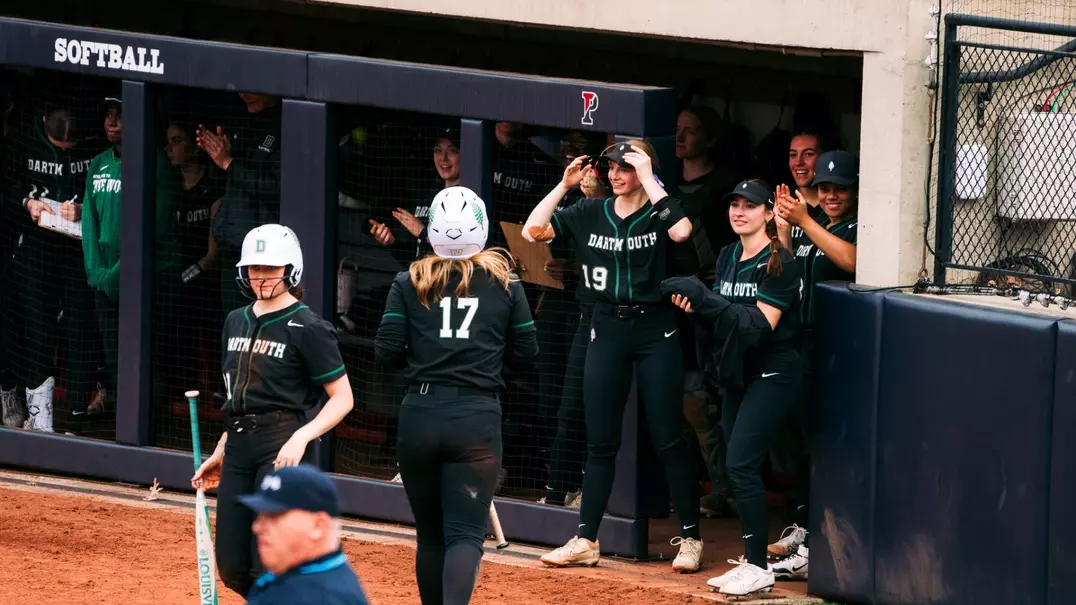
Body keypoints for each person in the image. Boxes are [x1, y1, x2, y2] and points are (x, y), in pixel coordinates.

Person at [523, 141, 705, 573]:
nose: (616, 173)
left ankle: (692, 538)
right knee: (601, 439)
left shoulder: (660, 210)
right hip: (605, 325)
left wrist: (650, 179)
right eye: (612, 166)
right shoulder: (590, 211)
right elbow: (534, 230)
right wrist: (564, 185)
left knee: (668, 436)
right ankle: (586, 538)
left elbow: (681, 233)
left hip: (655, 327)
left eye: (627, 166)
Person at [374, 186, 538, 605]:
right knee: (465, 534)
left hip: (421, 415)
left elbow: (386, 353)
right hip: (477, 419)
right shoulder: (506, 283)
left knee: (431, 538)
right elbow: (527, 356)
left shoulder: (407, 281)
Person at [190, 223, 355, 596]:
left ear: (290, 269)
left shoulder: (309, 326)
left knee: (270, 561)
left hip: (281, 447)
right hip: (238, 447)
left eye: (270, 268)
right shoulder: (235, 319)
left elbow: (343, 397)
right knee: (232, 567)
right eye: (254, 267)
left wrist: (302, 436)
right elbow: (237, 396)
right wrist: (221, 447)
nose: (261, 276)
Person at [661, 178, 803, 597]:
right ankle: (753, 562)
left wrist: (706, 301)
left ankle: (759, 568)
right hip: (736, 373)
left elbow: (759, 325)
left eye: (750, 206)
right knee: (734, 467)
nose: (740, 212)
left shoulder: (780, 263)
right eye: (735, 204)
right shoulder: (727, 256)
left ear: (767, 214)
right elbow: (723, 323)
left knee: (741, 463)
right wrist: (696, 309)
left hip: (774, 370)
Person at [764, 150, 859, 580]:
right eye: (825, 188)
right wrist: (785, 229)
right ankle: (804, 527)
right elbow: (788, 268)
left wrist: (805, 222)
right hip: (798, 342)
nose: (832, 194)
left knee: (827, 444)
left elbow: (852, 260)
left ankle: (824, 536)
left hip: (838, 346)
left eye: (840, 188)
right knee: (799, 438)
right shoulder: (810, 224)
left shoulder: (856, 225)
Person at [6, 100, 103, 432]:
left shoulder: (95, 144)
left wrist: (84, 210)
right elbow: (8, 187)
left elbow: (104, 195)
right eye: (58, 144)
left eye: (69, 146)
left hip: (78, 249)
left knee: (79, 329)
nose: (64, 149)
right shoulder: (22, 140)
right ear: (44, 118)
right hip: (36, 246)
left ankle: (76, 420)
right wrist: (27, 202)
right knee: (39, 330)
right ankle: (41, 420)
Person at [81, 97, 178, 427]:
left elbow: (156, 225)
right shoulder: (97, 164)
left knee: (146, 358)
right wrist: (97, 272)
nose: (111, 122)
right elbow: (89, 224)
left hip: (146, 279)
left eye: (120, 117)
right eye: (108, 115)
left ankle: (151, 432)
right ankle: (123, 428)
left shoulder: (156, 164)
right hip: (104, 281)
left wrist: (121, 271)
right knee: (114, 356)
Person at [238, 464, 370, 605]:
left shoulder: (320, 598)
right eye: (261, 516)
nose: (257, 527)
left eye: (274, 516)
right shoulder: (300, 577)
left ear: (318, 526)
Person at [200, 92, 282, 312]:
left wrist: (228, 162)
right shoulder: (240, 122)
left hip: (267, 255)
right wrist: (221, 158)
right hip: (233, 247)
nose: (244, 94)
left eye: (252, 89)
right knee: (234, 329)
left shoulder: (288, 123)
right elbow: (221, 187)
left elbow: (277, 188)